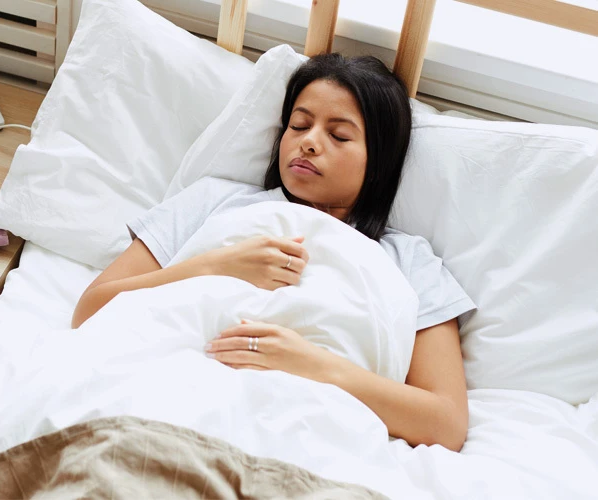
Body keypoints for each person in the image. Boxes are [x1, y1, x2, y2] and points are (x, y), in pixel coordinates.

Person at [72, 53, 476, 452]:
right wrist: (215, 266)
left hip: (300, 434)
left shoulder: (409, 261)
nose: (309, 143)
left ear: (378, 162)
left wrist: (312, 364)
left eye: (338, 136)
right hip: (168, 398)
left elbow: (445, 422)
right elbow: (90, 311)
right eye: (299, 125)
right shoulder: (214, 201)